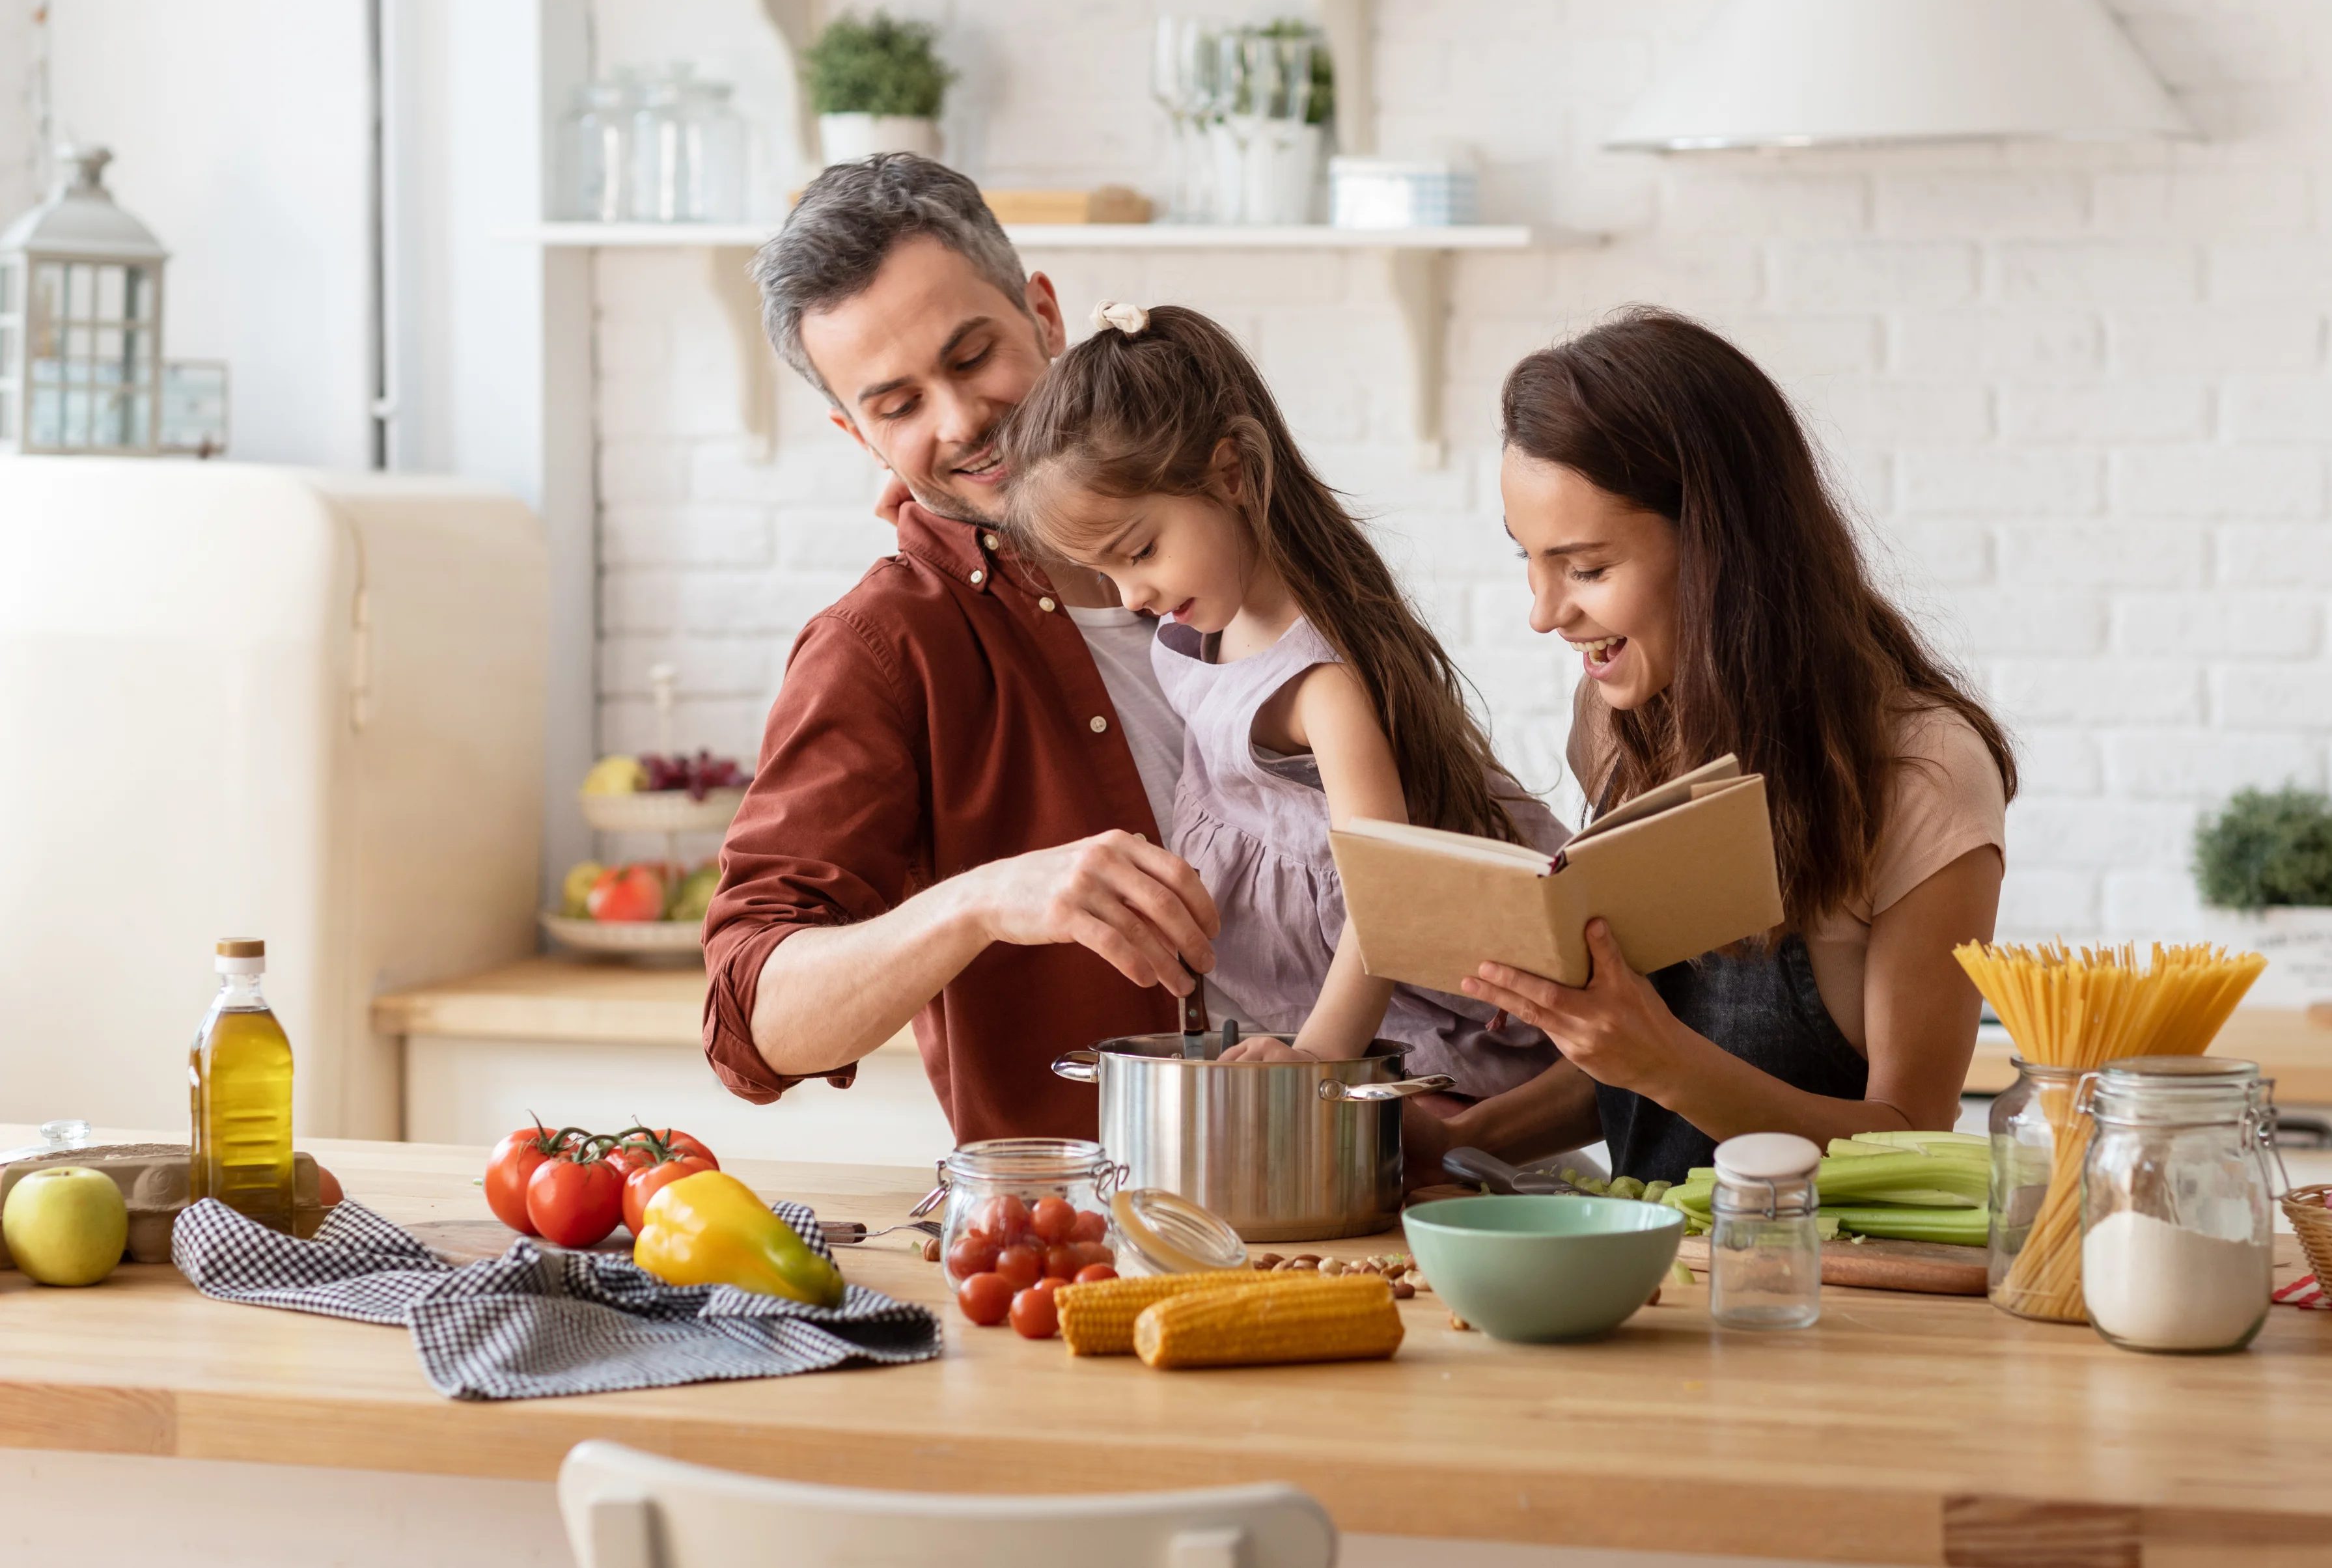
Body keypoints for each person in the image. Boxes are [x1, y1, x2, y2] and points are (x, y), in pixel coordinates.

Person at [699, 156, 1221, 1144]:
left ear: (1045, 316)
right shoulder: (883, 647)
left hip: (1398, 1182)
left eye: (974, 354)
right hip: (1108, 1235)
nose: (961, 420)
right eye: (898, 406)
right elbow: (752, 1020)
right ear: (857, 434)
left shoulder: (1235, 524)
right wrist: (981, 899)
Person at [1442, 308, 2014, 1183]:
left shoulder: (1922, 774)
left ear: (1720, 550)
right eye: (1530, 558)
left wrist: (1660, 1060)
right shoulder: (1621, 721)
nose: (1545, 612)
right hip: (1652, 1274)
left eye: (1587, 568)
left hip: (1826, 1297)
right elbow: (1632, 1063)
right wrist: (1442, 1142)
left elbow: (1916, 1136)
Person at [996, 301, 1562, 1098]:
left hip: (1395, 1036)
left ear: (1231, 474)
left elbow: (1386, 894)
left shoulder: (1318, 684)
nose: (1132, 594)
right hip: (1301, 1023)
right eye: (1108, 572)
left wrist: (1320, 1058)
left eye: (1141, 551)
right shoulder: (1210, 629)